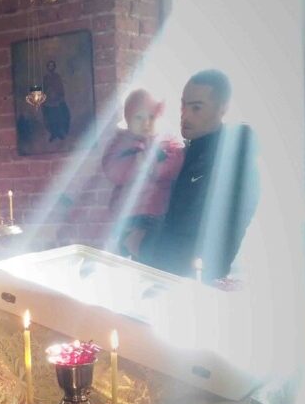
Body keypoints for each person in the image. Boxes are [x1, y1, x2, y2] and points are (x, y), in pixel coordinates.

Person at [140, 69, 260, 281]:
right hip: (167, 277)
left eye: (196, 107)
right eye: (183, 105)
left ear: (222, 108)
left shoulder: (233, 166)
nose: (185, 115)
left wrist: (141, 244)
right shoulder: (193, 152)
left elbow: (207, 247)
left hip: (189, 286)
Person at [102, 88, 183, 259]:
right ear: (128, 119)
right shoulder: (121, 142)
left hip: (157, 212)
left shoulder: (167, 142)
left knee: (152, 252)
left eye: (151, 117)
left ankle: (135, 250)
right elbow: (112, 169)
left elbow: (175, 165)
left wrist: (154, 166)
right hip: (127, 214)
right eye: (139, 117)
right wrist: (138, 162)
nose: (146, 123)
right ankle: (126, 245)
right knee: (125, 252)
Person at [41, 60, 71, 142]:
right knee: (51, 118)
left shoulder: (57, 77)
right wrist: (47, 94)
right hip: (49, 101)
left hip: (57, 101)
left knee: (58, 117)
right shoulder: (45, 78)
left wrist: (58, 94)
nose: (51, 67)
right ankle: (53, 133)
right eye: (49, 66)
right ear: (47, 67)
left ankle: (59, 133)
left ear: (54, 67)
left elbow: (60, 87)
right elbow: (44, 89)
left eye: (52, 66)